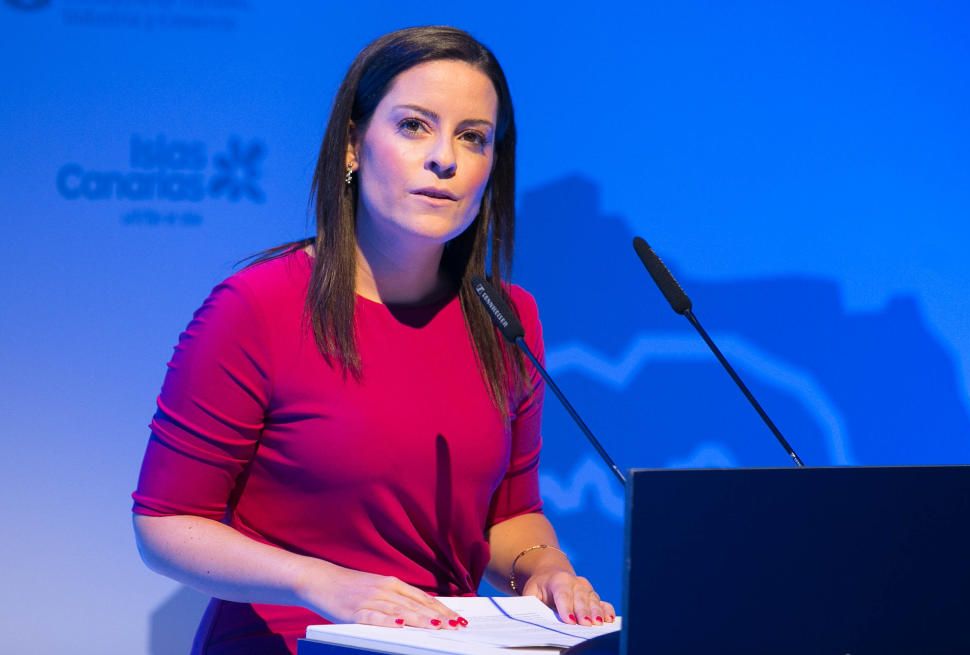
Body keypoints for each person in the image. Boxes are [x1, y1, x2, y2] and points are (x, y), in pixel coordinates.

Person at [132, 25, 615, 654]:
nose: (445, 157)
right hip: (289, 642)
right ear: (353, 145)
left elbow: (509, 514)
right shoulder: (256, 308)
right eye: (415, 125)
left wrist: (542, 567)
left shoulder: (506, 316)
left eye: (473, 138)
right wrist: (321, 583)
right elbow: (165, 524)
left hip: (444, 642)